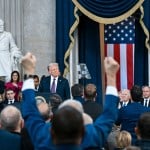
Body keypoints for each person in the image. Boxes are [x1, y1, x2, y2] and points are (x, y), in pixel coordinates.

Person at [21, 52, 119, 150]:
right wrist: (111, 76)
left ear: (51, 130)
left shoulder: (42, 137)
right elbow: (110, 114)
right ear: (83, 130)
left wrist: (29, 71)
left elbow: (29, 110)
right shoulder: (91, 138)